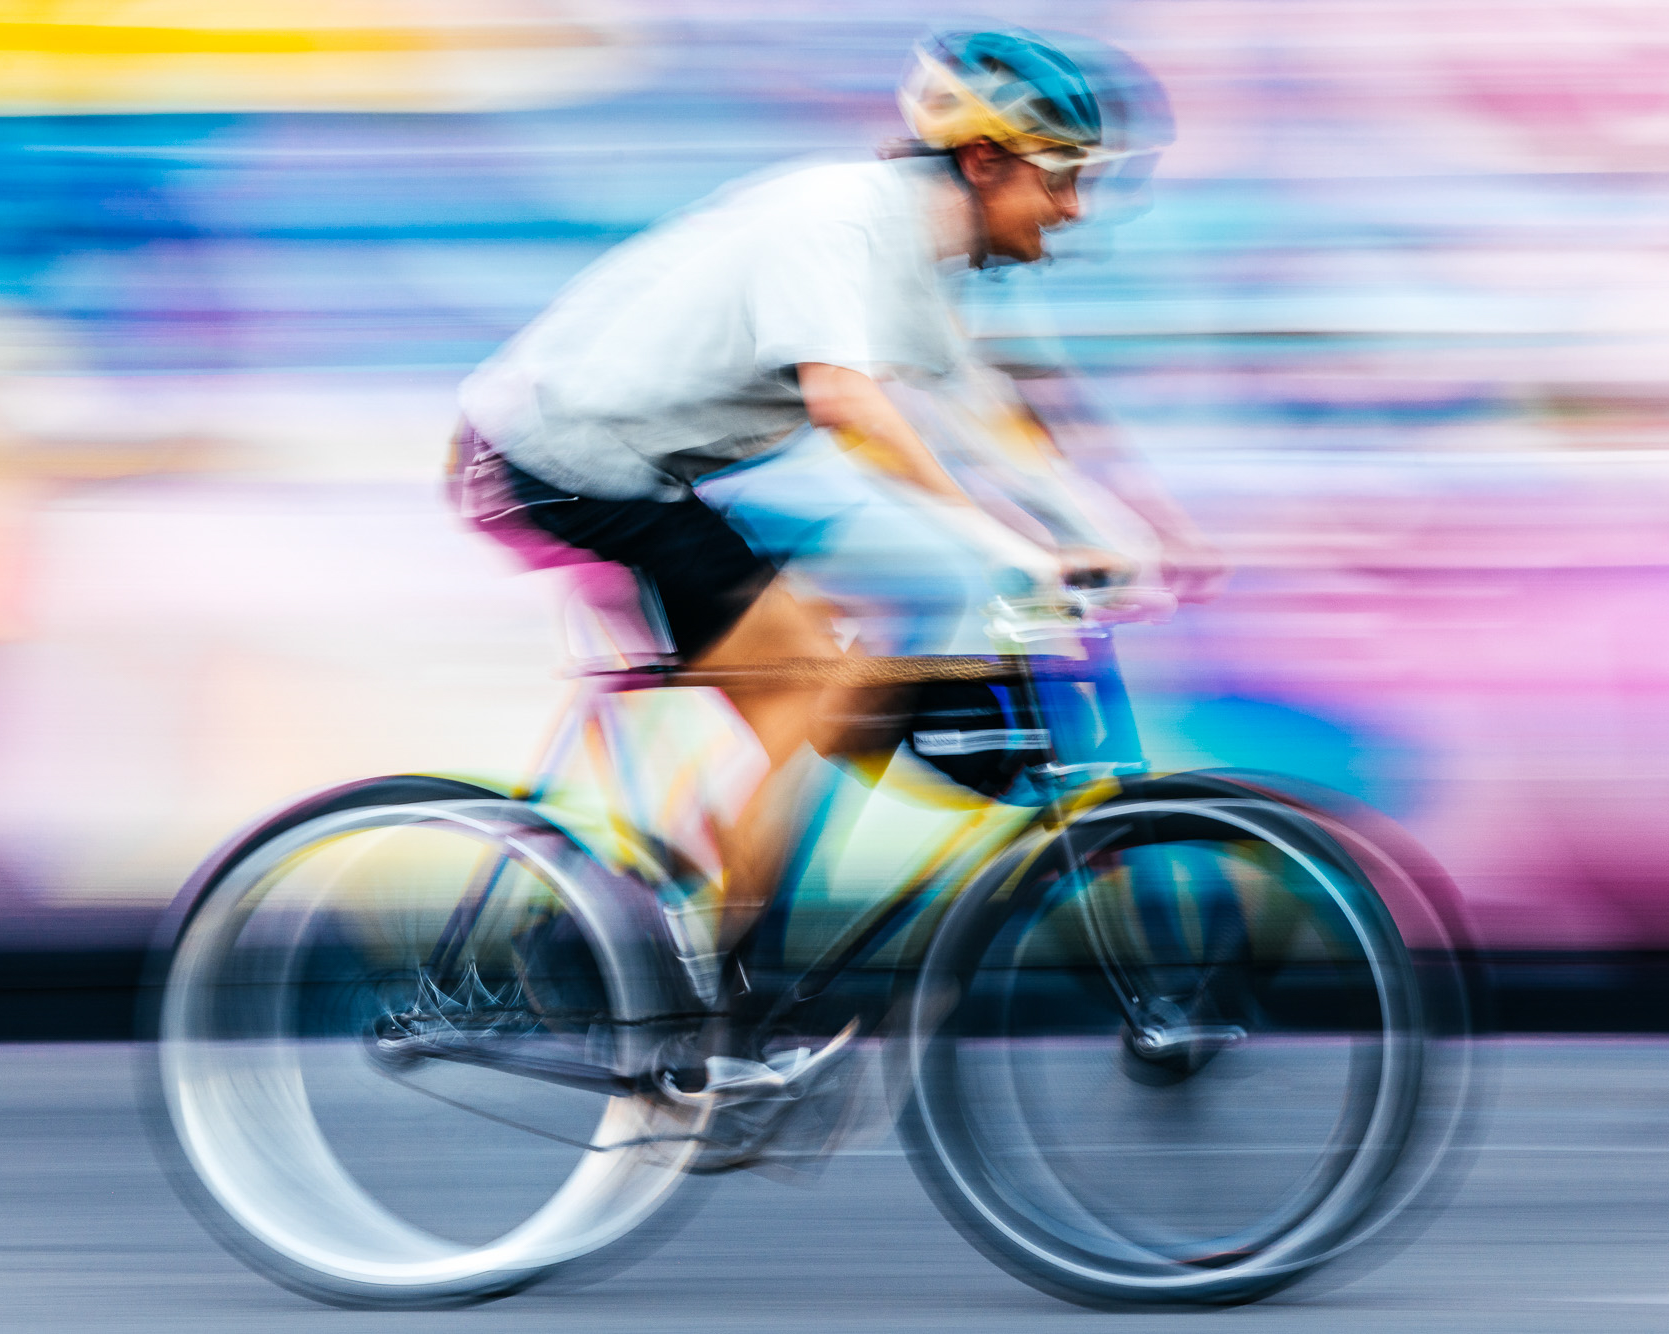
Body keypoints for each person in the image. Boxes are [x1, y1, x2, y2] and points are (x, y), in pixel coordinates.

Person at [452, 29, 1199, 1084]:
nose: (1072, 210)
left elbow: (988, 419)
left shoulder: (916, 258)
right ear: (983, 161)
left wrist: (1105, 529)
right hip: (559, 462)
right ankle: (685, 986)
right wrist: (1013, 548)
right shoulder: (836, 220)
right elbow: (844, 401)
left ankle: (696, 956)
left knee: (834, 687)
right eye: (1061, 179)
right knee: (813, 692)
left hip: (639, 470)